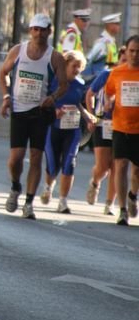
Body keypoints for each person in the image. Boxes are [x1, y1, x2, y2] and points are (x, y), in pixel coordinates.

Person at [0, 13, 68, 220]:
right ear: (30, 31)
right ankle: (15, 186)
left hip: (40, 112)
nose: (39, 33)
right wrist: (5, 97)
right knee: (15, 158)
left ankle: (29, 203)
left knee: (36, 157)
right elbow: (2, 73)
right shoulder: (18, 51)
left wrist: (53, 97)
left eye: (43, 30)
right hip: (19, 110)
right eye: (35, 29)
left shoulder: (54, 57)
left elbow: (64, 84)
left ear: (49, 32)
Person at [40, 50, 96, 214]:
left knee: (69, 163)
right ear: (65, 65)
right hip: (54, 129)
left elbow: (77, 103)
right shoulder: (54, 82)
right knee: (52, 164)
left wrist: (88, 117)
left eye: (80, 66)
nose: (77, 69)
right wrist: (54, 110)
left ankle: (63, 201)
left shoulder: (79, 84)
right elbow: (44, 101)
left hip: (72, 130)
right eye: (74, 66)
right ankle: (48, 186)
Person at [85, 45, 127, 215]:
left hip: (122, 125)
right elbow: (90, 94)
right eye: (123, 60)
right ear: (119, 60)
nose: (127, 63)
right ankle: (95, 181)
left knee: (117, 167)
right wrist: (92, 115)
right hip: (104, 123)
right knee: (103, 166)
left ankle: (109, 204)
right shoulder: (107, 74)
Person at [104, 34, 139, 226]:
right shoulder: (117, 72)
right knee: (121, 165)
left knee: (136, 173)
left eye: (138, 52)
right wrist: (109, 102)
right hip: (120, 127)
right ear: (126, 51)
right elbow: (109, 92)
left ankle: (133, 195)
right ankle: (123, 209)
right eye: (131, 51)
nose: (134, 55)